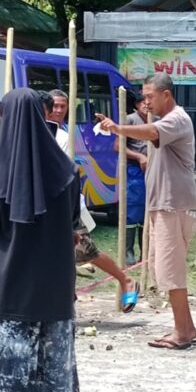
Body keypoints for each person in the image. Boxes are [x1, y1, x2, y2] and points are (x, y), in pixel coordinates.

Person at [0, 88, 83, 392]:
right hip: (54, 290)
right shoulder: (67, 171)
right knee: (54, 379)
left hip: (9, 289)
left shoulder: (0, 174)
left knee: (8, 382)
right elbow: (74, 225)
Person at [98, 73, 196, 350]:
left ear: (166, 95)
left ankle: (182, 332)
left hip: (173, 205)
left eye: (150, 97)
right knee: (164, 269)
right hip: (163, 204)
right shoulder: (163, 119)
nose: (146, 102)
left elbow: (153, 133)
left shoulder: (176, 119)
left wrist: (117, 128)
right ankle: (186, 328)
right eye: (143, 97)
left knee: (171, 270)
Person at [44, 90, 140, 311]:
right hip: (46, 205)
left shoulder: (63, 138)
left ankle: (125, 280)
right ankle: (64, 301)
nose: (58, 110)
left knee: (85, 250)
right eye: (54, 106)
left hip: (66, 205)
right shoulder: (39, 133)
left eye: (62, 106)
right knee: (55, 256)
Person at [119, 93, 149, 265]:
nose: (146, 104)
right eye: (142, 102)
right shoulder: (130, 120)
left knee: (148, 209)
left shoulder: (156, 120)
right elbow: (118, 146)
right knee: (133, 209)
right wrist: (139, 157)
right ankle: (127, 251)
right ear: (137, 105)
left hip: (153, 170)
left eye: (148, 101)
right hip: (134, 170)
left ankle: (145, 251)